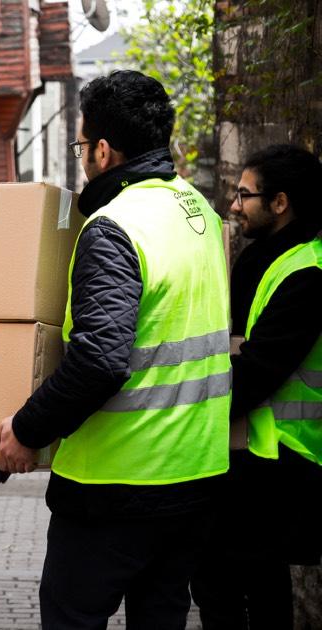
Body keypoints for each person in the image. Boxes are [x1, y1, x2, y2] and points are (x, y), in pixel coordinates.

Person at [0, 70, 231, 629]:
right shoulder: (199, 213)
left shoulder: (114, 227)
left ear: (102, 149)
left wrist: (27, 429)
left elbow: (100, 359)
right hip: (197, 478)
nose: (80, 157)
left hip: (116, 488)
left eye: (80, 145)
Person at [190, 145, 322, 629]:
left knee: (226, 585)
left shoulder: (307, 274)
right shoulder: (260, 260)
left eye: (244, 194)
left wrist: (186, 404)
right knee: (253, 587)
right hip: (250, 457)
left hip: (279, 463)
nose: (232, 204)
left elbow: (256, 370)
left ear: (280, 202)